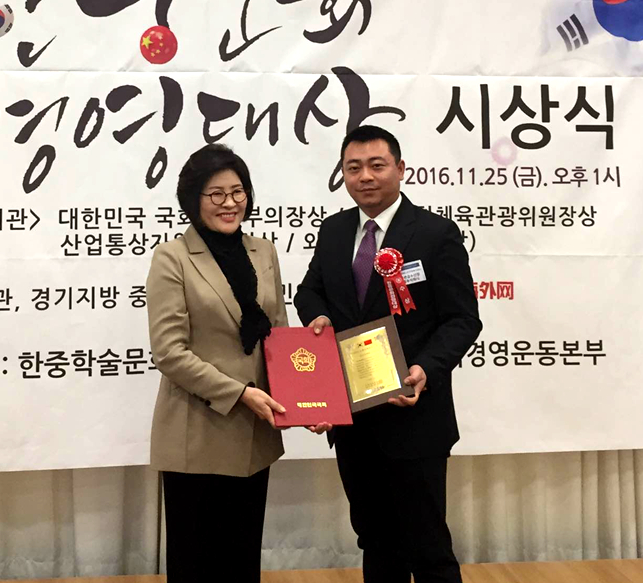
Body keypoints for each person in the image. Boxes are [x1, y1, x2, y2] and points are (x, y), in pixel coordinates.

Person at [294, 125, 482, 583]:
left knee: (428, 546)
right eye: (353, 167)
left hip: (414, 415)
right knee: (375, 540)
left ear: (400, 169)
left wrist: (426, 368)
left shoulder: (436, 233)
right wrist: (319, 318)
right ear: (343, 174)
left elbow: (462, 319)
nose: (365, 176)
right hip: (353, 421)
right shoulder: (335, 230)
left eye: (377, 165)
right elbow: (308, 292)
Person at [146, 143, 289, 582]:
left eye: (238, 191)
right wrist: (240, 393)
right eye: (216, 194)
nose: (230, 203)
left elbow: (278, 336)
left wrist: (307, 401)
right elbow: (169, 352)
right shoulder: (172, 257)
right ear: (193, 199)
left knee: (242, 561)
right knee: (196, 564)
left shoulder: (263, 251)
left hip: (254, 436)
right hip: (197, 434)